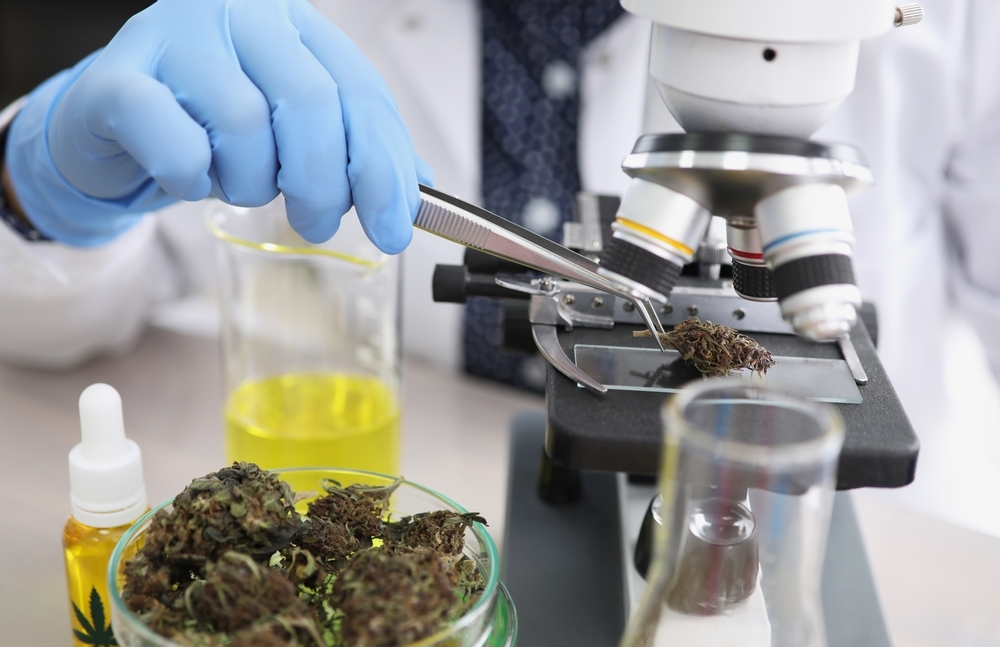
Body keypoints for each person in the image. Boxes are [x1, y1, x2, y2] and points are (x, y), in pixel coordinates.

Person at [2, 1, 999, 529]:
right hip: (433, 500)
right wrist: (34, 186)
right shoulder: (278, 19)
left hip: (894, 539)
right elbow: (46, 326)